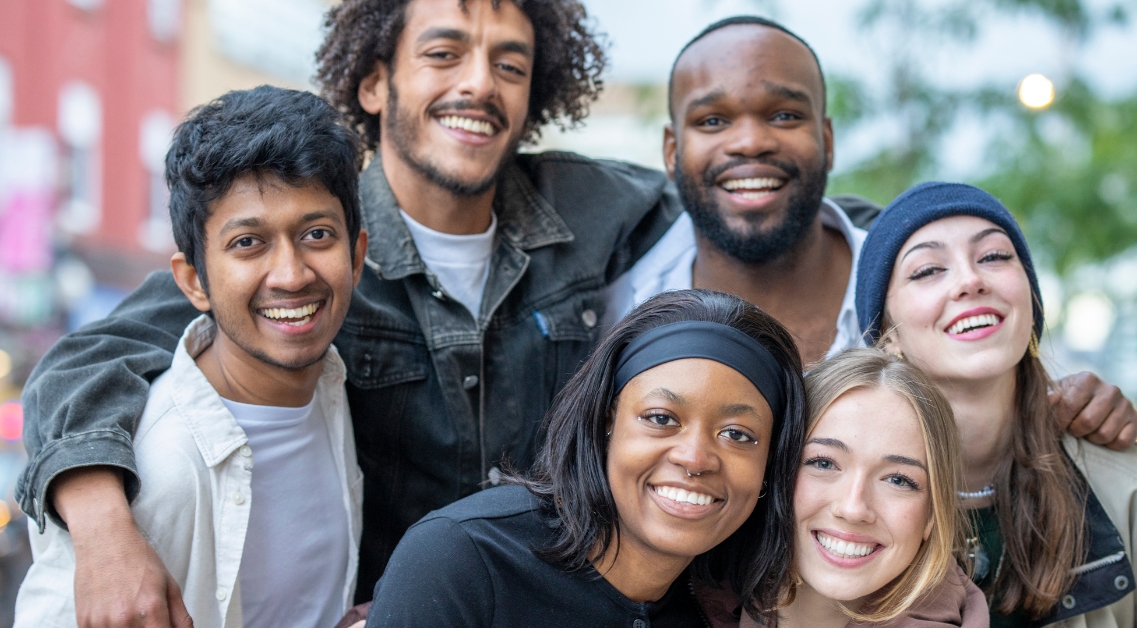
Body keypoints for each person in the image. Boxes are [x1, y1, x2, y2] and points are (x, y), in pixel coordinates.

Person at [16, 0, 679, 624]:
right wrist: (105, 533)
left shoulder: (592, 206)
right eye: (444, 54)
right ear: (373, 83)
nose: (480, 83)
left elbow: (717, 197)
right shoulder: (303, 225)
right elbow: (86, 361)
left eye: (510, 65)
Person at [605, 15, 1137, 443]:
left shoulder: (923, 290)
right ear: (672, 150)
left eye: (786, 116)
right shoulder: (608, 308)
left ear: (828, 140)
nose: (750, 142)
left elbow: (1014, 401)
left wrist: (1083, 408)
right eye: (713, 121)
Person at [14, 86, 366, 628]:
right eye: (248, 243)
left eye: (317, 234)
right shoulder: (152, 472)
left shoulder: (337, 389)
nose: (292, 274)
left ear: (357, 254)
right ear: (193, 282)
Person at [856, 181, 1137, 626]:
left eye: (994, 257)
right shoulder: (845, 493)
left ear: (1031, 301)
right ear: (889, 335)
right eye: (927, 270)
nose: (970, 280)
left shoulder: (1125, 484)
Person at [364, 289, 807, 627]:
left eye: (737, 434)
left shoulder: (726, 608)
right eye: (660, 418)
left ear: (771, 462)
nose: (695, 458)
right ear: (605, 423)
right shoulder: (461, 558)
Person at [699, 349, 987, 628]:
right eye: (823, 463)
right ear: (776, 472)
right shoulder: (681, 593)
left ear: (932, 516)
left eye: (898, 480)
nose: (852, 508)